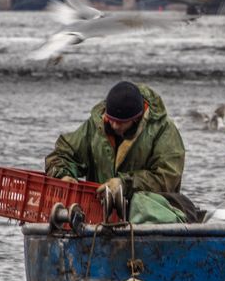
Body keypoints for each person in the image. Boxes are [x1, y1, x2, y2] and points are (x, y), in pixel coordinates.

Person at [45, 81, 190, 223]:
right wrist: (63, 175)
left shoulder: (164, 131)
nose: (114, 125)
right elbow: (62, 153)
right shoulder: (96, 125)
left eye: (120, 122)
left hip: (150, 217)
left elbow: (167, 177)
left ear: (136, 119)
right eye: (110, 119)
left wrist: (124, 184)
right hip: (97, 216)